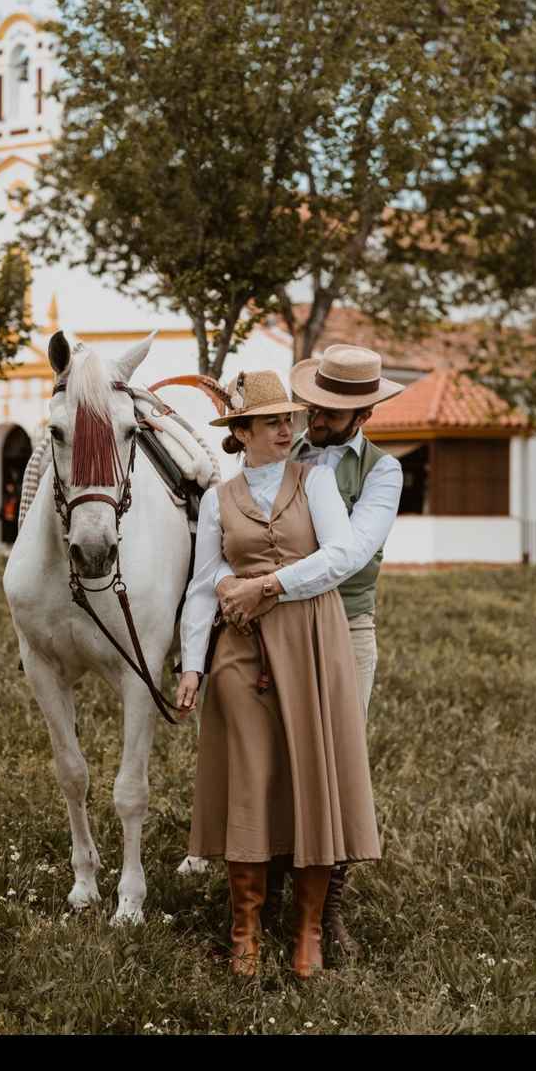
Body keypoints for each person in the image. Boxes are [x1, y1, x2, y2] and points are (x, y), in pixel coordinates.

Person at [176, 369, 382, 979]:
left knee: (311, 774)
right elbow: (202, 583)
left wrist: (268, 584)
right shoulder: (219, 499)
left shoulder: (315, 482)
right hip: (240, 650)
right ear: (240, 432)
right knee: (249, 776)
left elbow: (341, 556)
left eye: (288, 419)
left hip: (312, 640)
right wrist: (192, 664)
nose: (288, 429)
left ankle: (309, 931)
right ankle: (244, 931)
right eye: (272, 422)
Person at [214, 345, 405, 954]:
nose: (313, 420)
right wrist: (228, 583)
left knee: (331, 760)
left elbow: (350, 557)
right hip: (261, 629)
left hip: (341, 626)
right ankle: (265, 897)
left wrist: (267, 585)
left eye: (329, 412)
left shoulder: (381, 472)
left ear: (363, 415)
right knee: (268, 757)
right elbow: (234, 536)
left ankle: (329, 908)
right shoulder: (281, 452)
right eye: (312, 406)